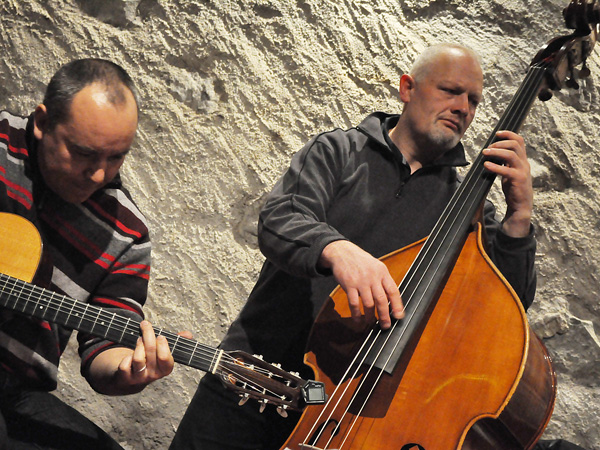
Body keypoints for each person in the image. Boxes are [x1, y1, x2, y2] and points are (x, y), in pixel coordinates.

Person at [170, 44, 585, 450]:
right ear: (407, 88)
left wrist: (519, 216)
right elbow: (279, 220)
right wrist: (337, 250)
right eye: (450, 91)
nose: (463, 107)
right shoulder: (338, 152)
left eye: (473, 100)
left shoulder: (469, 212)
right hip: (251, 386)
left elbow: (504, 310)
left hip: (351, 418)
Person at [0, 58, 185, 449]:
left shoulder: (127, 234)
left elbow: (104, 348)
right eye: (84, 153)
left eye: (116, 156)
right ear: (42, 122)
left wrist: (127, 371)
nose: (100, 174)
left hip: (10, 390)